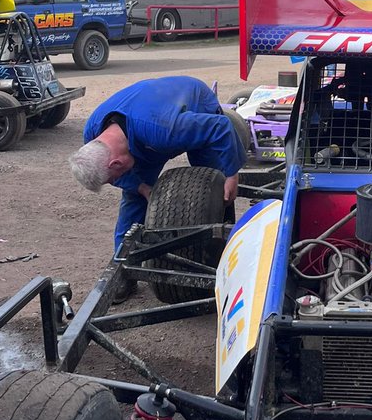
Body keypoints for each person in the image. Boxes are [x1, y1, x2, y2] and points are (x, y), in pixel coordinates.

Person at [70, 76, 247, 300]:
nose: (115, 182)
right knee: (133, 200)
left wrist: (231, 173)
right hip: (141, 128)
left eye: (112, 178)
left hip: (191, 99)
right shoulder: (93, 135)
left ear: (116, 164)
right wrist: (142, 187)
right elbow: (122, 179)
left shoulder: (166, 130)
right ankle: (125, 268)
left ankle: (221, 250)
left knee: (213, 185)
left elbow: (220, 127)